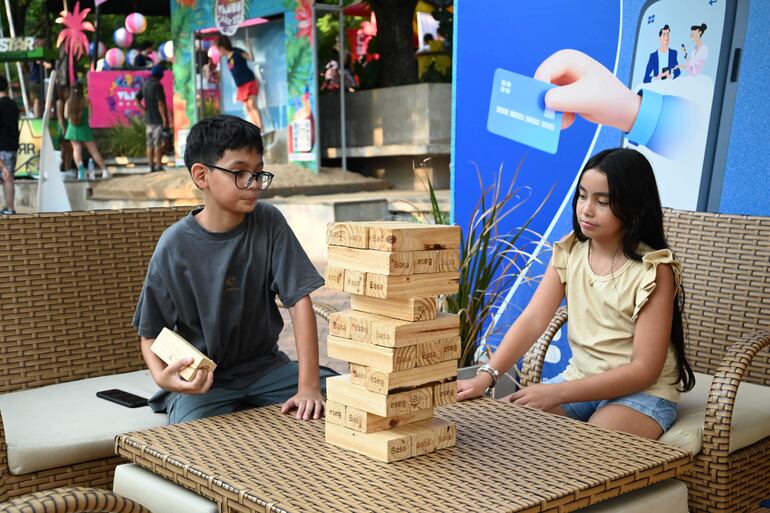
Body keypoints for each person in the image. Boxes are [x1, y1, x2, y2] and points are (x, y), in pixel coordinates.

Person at [458, 148, 696, 440]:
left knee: (587, 446)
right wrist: (486, 376)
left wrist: (557, 393)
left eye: (603, 201)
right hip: (579, 381)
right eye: (582, 196)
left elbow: (645, 370)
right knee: (505, 432)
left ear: (634, 208)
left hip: (642, 394)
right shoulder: (569, 251)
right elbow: (533, 319)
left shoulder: (653, 270)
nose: (586, 209)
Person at [133, 114, 335, 424]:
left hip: (268, 369)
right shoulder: (174, 246)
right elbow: (150, 334)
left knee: (343, 395)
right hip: (206, 382)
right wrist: (163, 380)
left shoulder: (269, 222)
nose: (254, 184)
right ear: (202, 176)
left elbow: (299, 300)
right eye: (240, 173)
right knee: (193, 443)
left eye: (258, 173)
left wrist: (308, 386)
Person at [214, 34, 263, 129]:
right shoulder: (227, 59)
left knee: (252, 104)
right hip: (241, 86)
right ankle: (255, 127)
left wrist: (249, 46)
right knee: (248, 107)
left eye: (219, 50)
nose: (219, 52)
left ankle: (261, 126)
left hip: (249, 81)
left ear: (222, 47)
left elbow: (251, 58)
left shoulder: (237, 52)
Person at [64, 82, 110, 180]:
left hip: (72, 129)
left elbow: (66, 116)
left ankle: (81, 173)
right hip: (84, 128)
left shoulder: (68, 102)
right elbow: (90, 115)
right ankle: (104, 171)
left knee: (76, 150)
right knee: (93, 151)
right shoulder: (86, 101)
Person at [136, 64, 169, 172]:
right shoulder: (157, 86)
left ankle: (151, 166)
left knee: (149, 144)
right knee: (157, 144)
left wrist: (143, 109)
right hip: (157, 120)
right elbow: (160, 103)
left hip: (148, 120)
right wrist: (164, 119)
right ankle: (158, 165)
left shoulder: (145, 84)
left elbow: (137, 97)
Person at [0, 75, 19, 214]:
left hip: (1, 146)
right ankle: (10, 208)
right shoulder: (13, 104)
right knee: (8, 177)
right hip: (12, 146)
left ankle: (10, 208)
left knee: (6, 178)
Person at [55, 84, 75, 176]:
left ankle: (68, 168)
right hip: (63, 127)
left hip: (69, 126)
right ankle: (60, 167)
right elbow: (60, 117)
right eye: (66, 91)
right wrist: (63, 129)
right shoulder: (60, 102)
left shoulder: (69, 101)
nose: (67, 93)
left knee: (70, 149)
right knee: (64, 149)